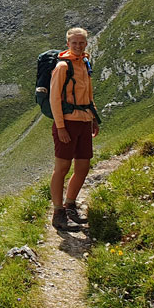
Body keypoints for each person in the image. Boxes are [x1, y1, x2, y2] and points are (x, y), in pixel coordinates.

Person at [50, 27, 99, 231]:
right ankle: (58, 212)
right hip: (68, 123)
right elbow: (54, 99)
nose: (78, 46)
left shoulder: (85, 63)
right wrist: (61, 127)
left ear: (86, 43)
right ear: (68, 44)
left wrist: (93, 118)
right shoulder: (63, 66)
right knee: (62, 168)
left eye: (82, 42)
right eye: (74, 43)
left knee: (83, 167)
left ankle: (70, 205)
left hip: (84, 121)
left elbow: (89, 95)